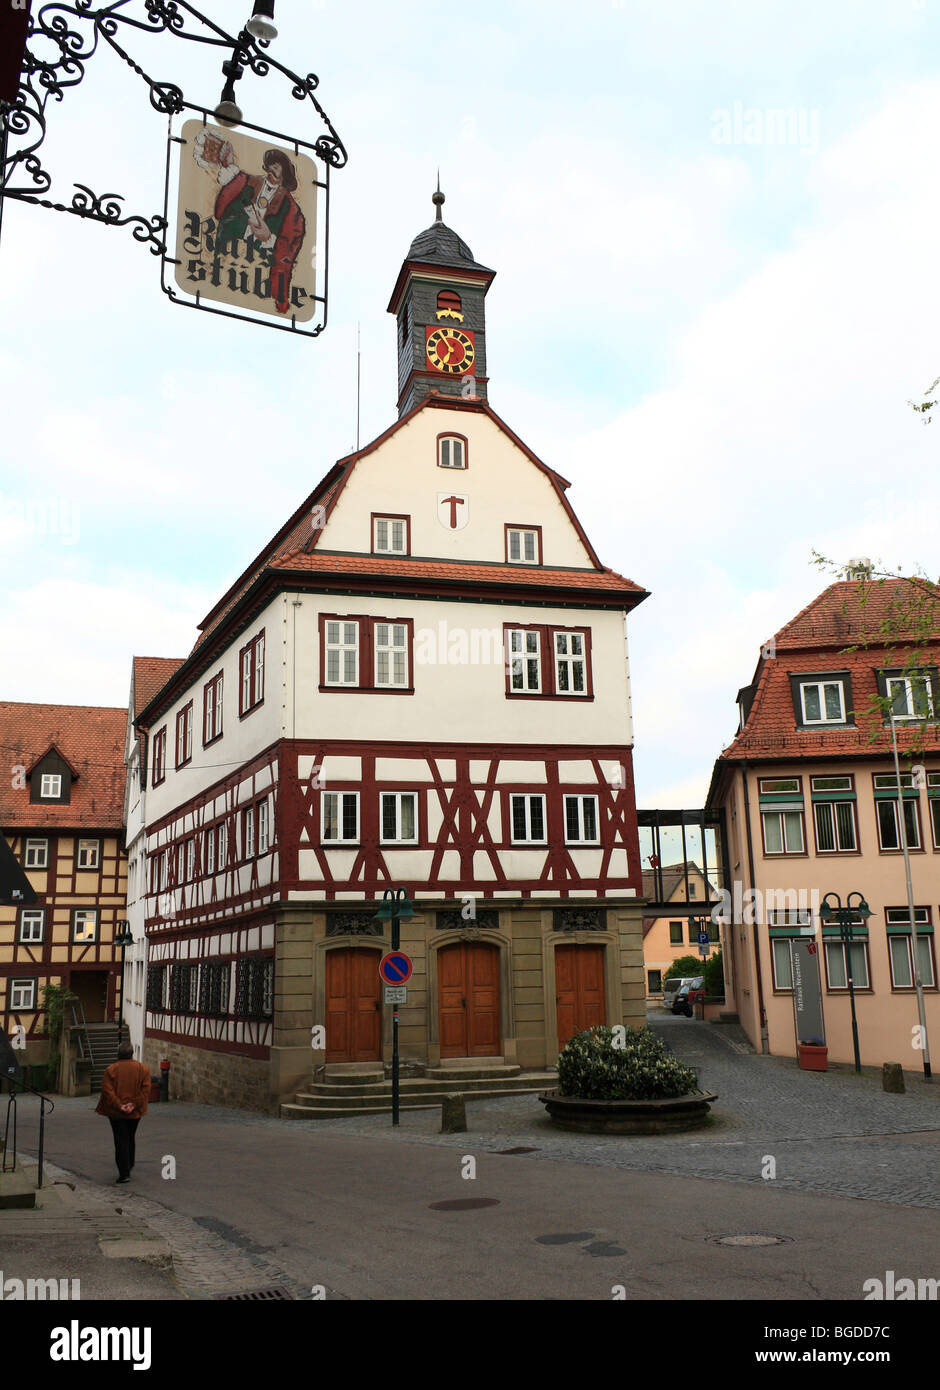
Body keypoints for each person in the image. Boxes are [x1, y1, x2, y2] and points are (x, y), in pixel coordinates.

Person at [211, 140, 306, 314]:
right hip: (224, 260)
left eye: (276, 169)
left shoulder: (291, 210)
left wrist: (268, 238)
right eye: (269, 168)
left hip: (258, 272)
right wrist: (228, 164)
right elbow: (222, 211)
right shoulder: (247, 182)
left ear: (284, 175)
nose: (270, 173)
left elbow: (288, 249)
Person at [95, 1042, 151, 1184]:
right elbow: (145, 1090)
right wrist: (134, 1104)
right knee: (130, 1137)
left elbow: (108, 1092)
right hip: (135, 1112)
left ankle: (124, 1172)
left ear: (118, 1054)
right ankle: (129, 1164)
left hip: (116, 1112)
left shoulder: (111, 1070)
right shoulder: (143, 1069)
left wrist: (120, 1105)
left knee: (121, 1140)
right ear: (132, 1054)